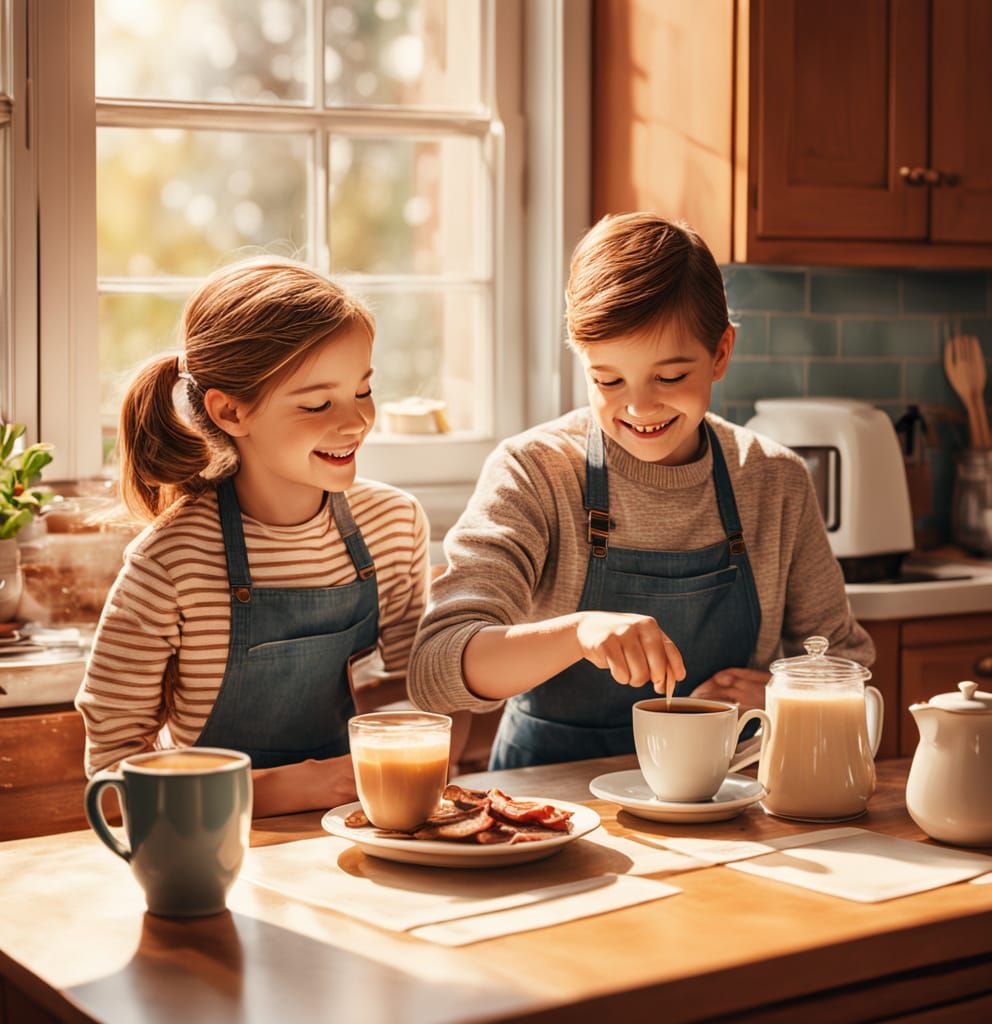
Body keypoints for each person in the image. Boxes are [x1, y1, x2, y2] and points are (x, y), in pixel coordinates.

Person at [408, 212, 874, 770]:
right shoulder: (535, 472)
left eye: (670, 376)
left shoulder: (773, 480)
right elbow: (435, 670)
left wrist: (785, 697)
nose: (640, 406)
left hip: (723, 798)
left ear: (721, 353)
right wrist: (578, 633)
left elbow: (845, 663)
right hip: (547, 806)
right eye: (608, 379)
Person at [76, 258, 430, 815]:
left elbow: (416, 695)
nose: (356, 421)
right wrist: (293, 787)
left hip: (357, 826)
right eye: (317, 403)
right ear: (231, 410)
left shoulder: (393, 524)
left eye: (363, 390)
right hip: (212, 850)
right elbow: (113, 782)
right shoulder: (171, 562)